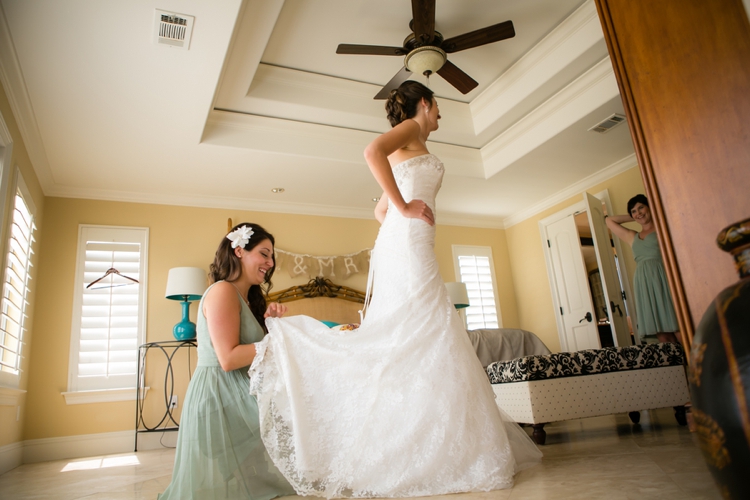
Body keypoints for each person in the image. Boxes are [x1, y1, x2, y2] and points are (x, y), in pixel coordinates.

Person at [248, 80, 541, 499]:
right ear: (425, 103)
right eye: (438, 106)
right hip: (408, 241)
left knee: (421, 328)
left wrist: (396, 210)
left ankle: (437, 444)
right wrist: (404, 209)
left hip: (406, 240)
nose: (440, 114)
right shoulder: (411, 131)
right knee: (426, 322)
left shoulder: (413, 147)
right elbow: (372, 153)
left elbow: (377, 210)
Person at [159, 223, 295, 500]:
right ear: (239, 251)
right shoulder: (222, 291)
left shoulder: (246, 298)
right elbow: (229, 358)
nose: (270, 263)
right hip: (219, 395)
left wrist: (272, 326)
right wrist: (279, 342)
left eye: (272, 257)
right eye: (264, 254)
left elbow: (255, 350)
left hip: (238, 390)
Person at [605, 195, 681, 344]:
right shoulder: (632, 236)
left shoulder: (664, 228)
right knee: (661, 333)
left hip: (664, 278)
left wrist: (648, 212)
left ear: (650, 206)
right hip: (644, 284)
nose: (638, 212)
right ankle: (681, 366)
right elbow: (609, 221)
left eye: (641, 207)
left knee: (678, 326)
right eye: (633, 211)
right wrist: (637, 217)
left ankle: (697, 365)